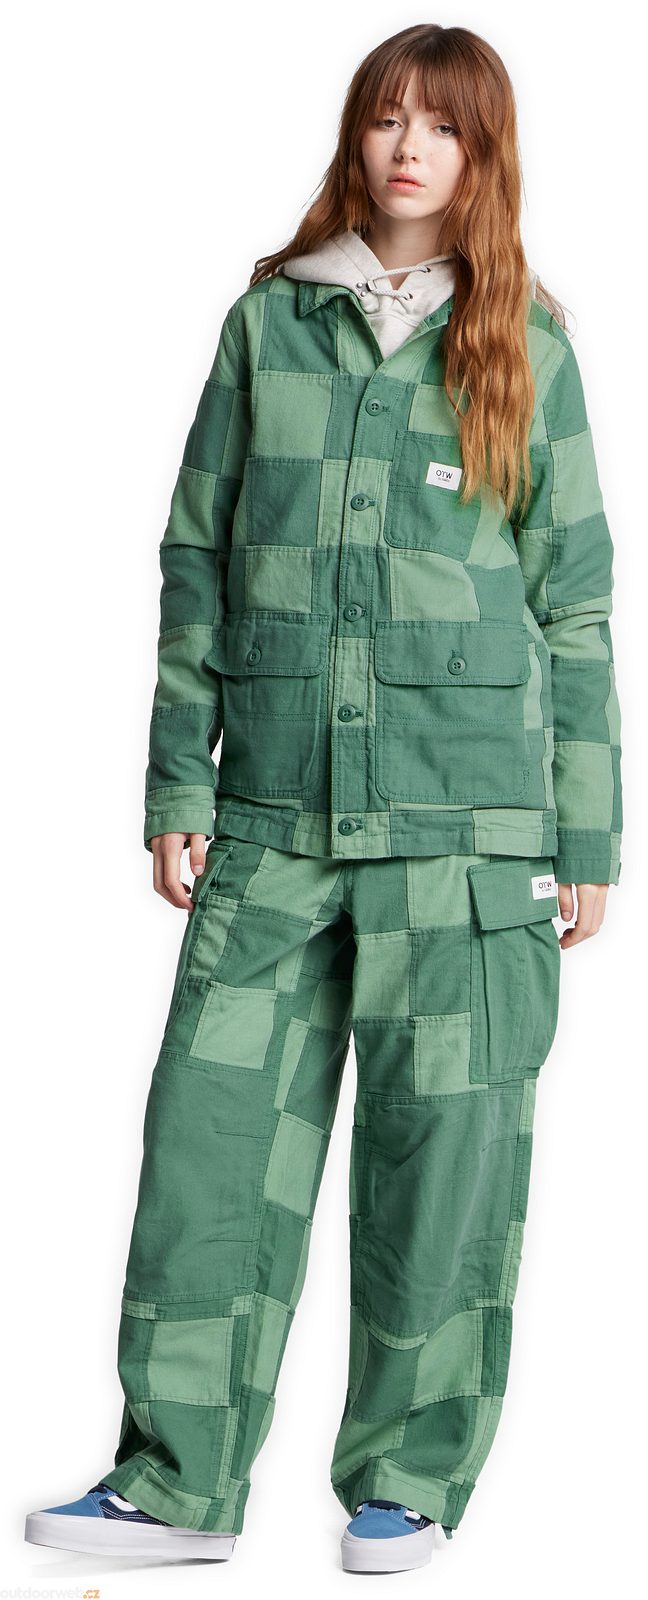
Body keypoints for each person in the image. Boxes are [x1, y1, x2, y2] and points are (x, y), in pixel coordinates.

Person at [25, 22, 623, 1576]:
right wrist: (180, 772)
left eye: (443, 126)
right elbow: (196, 560)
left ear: (484, 155)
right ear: (356, 138)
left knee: (446, 1167)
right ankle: (174, 1486)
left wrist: (587, 833)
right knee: (208, 1154)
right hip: (277, 824)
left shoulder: (526, 342)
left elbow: (574, 604)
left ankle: (408, 1482)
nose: (410, 148)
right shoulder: (267, 325)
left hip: (472, 838)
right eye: (386, 118)